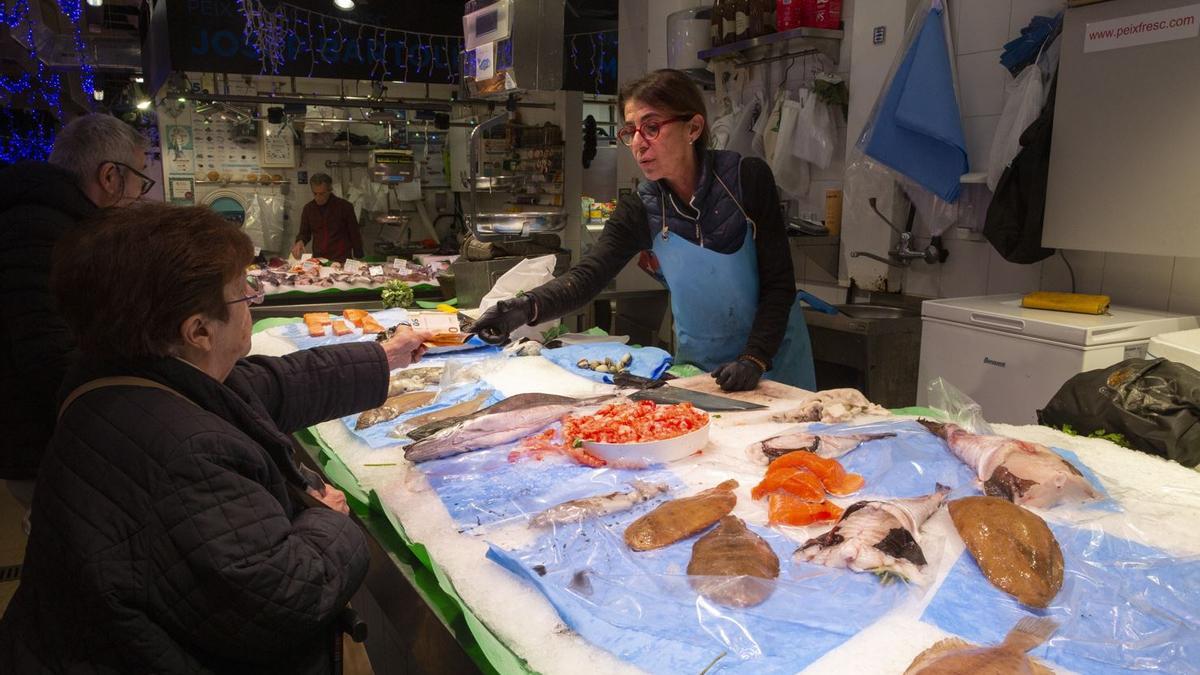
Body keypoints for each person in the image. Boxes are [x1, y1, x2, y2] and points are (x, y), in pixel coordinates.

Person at [0, 203, 432, 673]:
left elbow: (270, 385)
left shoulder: (124, 373)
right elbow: (286, 598)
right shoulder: (186, 456)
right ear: (199, 330)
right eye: (243, 292)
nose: (253, 300)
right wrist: (327, 521)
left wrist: (384, 357)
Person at [473, 69, 815, 392]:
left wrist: (755, 357)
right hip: (701, 369)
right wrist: (523, 307)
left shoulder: (746, 179)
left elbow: (779, 284)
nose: (638, 142)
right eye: (630, 131)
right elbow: (589, 276)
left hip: (772, 363)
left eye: (651, 127)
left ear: (693, 128)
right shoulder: (642, 207)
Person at [0, 113, 153, 522]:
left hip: (55, 438)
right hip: (45, 446)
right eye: (141, 180)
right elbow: (49, 355)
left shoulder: (55, 220)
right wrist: (140, 411)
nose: (141, 195)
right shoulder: (38, 230)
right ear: (110, 177)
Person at [291, 173, 363, 262]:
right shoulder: (309, 209)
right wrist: (300, 241)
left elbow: (354, 233)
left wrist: (359, 256)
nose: (318, 197)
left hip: (341, 258)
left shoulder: (345, 207)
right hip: (319, 259)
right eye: (315, 193)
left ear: (329, 190)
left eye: (322, 194)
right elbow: (304, 233)